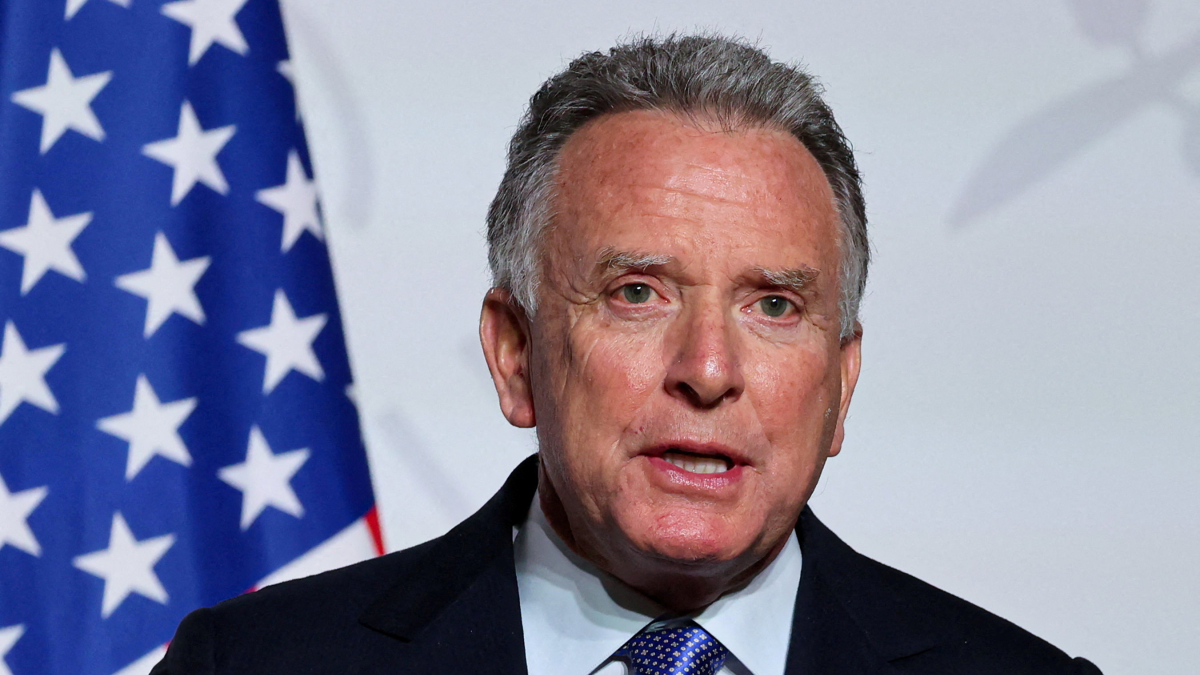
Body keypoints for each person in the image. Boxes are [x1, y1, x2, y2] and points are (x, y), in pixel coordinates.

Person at [152, 34, 1102, 675]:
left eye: (774, 305)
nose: (709, 369)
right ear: (515, 354)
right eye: (637, 293)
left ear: (840, 388)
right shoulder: (256, 664)